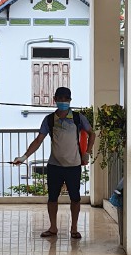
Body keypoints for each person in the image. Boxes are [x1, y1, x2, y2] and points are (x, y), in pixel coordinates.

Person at [13, 87, 95, 238]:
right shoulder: (49, 120)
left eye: (66, 99)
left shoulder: (78, 118)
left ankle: (74, 229)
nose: (63, 101)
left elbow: (92, 134)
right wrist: (24, 157)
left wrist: (87, 153)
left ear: (70, 100)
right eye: (60, 98)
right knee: (52, 198)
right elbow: (38, 140)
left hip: (73, 165)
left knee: (75, 198)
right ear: (55, 100)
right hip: (54, 166)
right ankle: (53, 228)